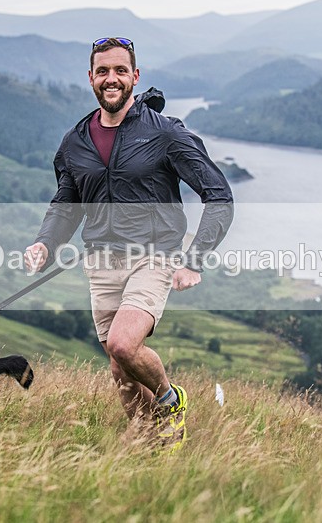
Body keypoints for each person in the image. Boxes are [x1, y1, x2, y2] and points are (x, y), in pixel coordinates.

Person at [25, 37, 234, 452]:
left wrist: (194, 259)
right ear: (91, 79)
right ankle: (150, 445)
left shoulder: (167, 133)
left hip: (155, 257)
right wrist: (44, 243)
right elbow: (66, 204)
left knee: (124, 343)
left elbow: (219, 196)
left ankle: (171, 400)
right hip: (100, 262)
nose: (112, 78)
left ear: (135, 77)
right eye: (103, 71)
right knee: (120, 369)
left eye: (121, 70)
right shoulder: (76, 141)